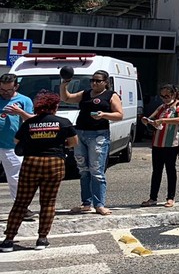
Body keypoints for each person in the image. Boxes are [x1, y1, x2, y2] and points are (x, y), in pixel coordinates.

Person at [1, 90, 78, 252]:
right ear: (55, 107)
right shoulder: (63, 122)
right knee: (48, 202)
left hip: (31, 162)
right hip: (54, 163)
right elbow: (73, 142)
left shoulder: (30, 123)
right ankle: (42, 239)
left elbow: (17, 141)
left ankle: (8, 240)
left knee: (21, 202)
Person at [60, 69, 123, 216]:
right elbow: (67, 98)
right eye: (92, 80)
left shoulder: (111, 95)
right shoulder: (85, 93)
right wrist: (64, 84)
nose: (94, 83)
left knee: (97, 171)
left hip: (98, 135)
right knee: (83, 170)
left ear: (106, 82)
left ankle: (99, 204)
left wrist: (103, 115)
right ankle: (86, 203)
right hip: (80, 133)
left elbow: (119, 115)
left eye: (98, 81)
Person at [140, 85, 179, 207]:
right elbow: (152, 117)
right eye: (162, 96)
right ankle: (153, 198)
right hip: (157, 143)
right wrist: (146, 120)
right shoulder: (162, 107)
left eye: (167, 96)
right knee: (156, 171)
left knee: (170, 170)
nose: (165, 99)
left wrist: (163, 121)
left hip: (171, 143)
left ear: (173, 94)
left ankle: (171, 197)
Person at [0, 74, 37, 217]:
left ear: (16, 87)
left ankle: (21, 208)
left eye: (8, 90)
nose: (4, 93)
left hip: (11, 145)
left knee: (15, 178)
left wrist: (20, 112)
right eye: (2, 90)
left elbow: (32, 119)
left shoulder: (23, 100)